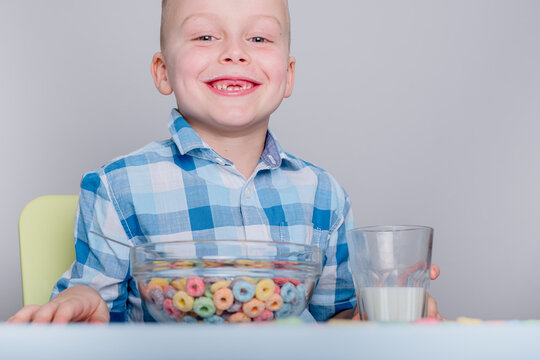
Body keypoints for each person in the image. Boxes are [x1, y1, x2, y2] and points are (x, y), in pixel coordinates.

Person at [8, 0, 441, 323]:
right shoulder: (118, 187)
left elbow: (338, 322)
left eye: (258, 38)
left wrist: (379, 316)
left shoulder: (323, 194)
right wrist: (80, 304)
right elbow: (93, 305)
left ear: (287, 75)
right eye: (205, 36)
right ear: (162, 71)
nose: (235, 53)